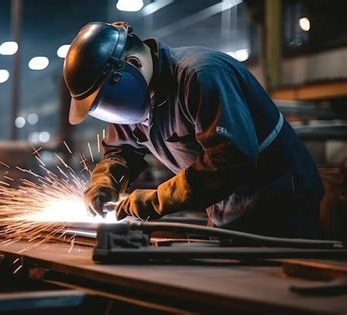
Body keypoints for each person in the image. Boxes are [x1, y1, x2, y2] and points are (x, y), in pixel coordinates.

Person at [63, 21, 324, 238]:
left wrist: (157, 200)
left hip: (281, 206)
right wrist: (104, 183)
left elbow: (230, 160)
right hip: (225, 208)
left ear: (133, 64)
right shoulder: (131, 101)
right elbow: (120, 152)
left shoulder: (201, 75)